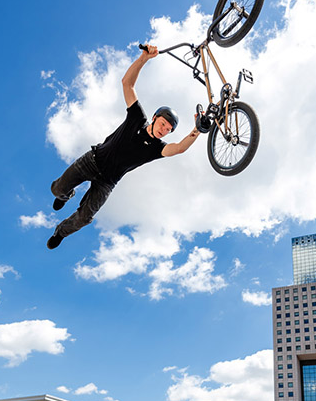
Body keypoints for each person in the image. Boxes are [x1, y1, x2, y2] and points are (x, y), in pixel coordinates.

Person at [46, 45, 203, 250]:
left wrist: (197, 130)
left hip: (107, 182)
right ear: (155, 118)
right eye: (163, 124)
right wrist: (143, 58)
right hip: (92, 161)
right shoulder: (137, 118)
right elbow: (127, 84)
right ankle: (65, 195)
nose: (164, 130)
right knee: (57, 189)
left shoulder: (158, 148)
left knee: (85, 217)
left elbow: (180, 148)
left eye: (168, 130)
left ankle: (60, 232)